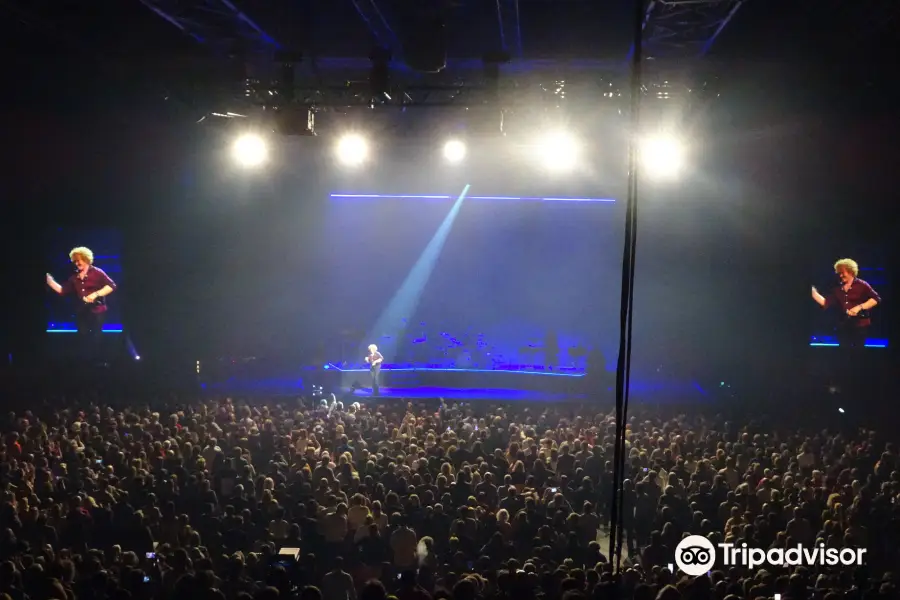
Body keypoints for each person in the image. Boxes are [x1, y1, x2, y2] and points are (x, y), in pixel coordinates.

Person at [46, 246, 117, 361]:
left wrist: (95, 294)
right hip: (82, 311)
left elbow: (111, 286)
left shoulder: (97, 273)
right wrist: (50, 281)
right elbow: (62, 290)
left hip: (97, 311)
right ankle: (84, 361)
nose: (77, 263)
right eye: (75, 261)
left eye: (79, 260)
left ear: (86, 259)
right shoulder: (74, 277)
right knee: (82, 336)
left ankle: (99, 361)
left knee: (96, 336)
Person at [811, 258, 881, 349]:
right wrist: (814, 294)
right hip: (843, 325)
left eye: (842, 272)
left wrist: (859, 307)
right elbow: (827, 303)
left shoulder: (862, 285)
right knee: (844, 351)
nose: (840, 275)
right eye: (839, 273)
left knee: (858, 351)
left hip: (860, 325)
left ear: (851, 272)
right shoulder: (837, 287)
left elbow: (876, 299)